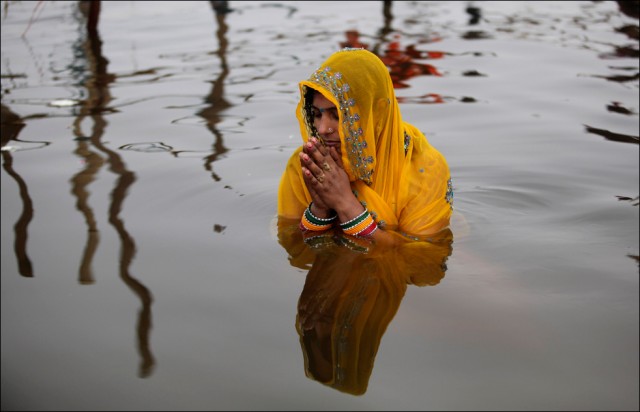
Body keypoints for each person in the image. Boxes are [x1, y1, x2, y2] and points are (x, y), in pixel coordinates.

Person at [277, 48, 453, 244]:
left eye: (337, 116)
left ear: (375, 113)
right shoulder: (308, 164)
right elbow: (290, 244)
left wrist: (345, 204)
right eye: (317, 115)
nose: (323, 128)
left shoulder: (423, 169)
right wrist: (319, 209)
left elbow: (422, 257)